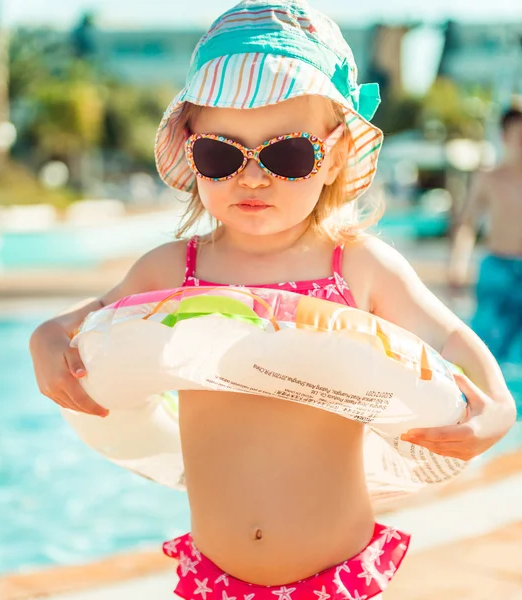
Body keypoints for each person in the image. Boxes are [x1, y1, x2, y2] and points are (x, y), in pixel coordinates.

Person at [30, 2, 516, 598]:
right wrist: (46, 336)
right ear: (190, 151)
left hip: (335, 575)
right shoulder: (172, 267)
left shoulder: (356, 264)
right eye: (221, 154)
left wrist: (498, 409)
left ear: (335, 154)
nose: (252, 178)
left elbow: (448, 340)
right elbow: (82, 326)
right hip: (214, 575)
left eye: (287, 155)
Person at [449, 106, 522, 363]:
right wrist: (458, 264)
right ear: (504, 137)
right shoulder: (489, 179)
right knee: (486, 350)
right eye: (518, 136)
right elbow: (467, 225)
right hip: (497, 269)